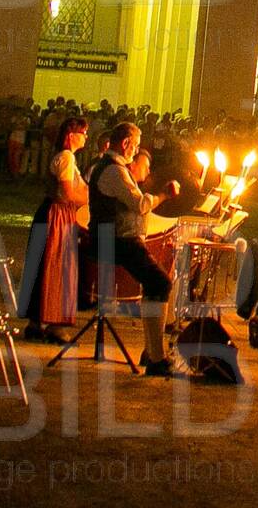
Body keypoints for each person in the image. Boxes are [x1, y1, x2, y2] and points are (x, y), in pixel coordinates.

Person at [85, 122, 183, 374]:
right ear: (126, 143)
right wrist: (163, 195)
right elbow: (139, 204)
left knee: (156, 284)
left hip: (118, 238)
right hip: (115, 240)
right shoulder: (113, 171)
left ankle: (153, 351)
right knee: (160, 283)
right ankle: (156, 357)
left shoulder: (114, 168)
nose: (137, 150)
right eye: (136, 145)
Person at [20, 115, 90, 337]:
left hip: (57, 214)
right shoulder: (66, 158)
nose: (86, 137)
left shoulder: (68, 158)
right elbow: (67, 193)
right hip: (57, 215)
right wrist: (88, 199)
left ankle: (36, 322)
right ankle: (53, 322)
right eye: (83, 133)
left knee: (47, 265)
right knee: (56, 266)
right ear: (71, 135)